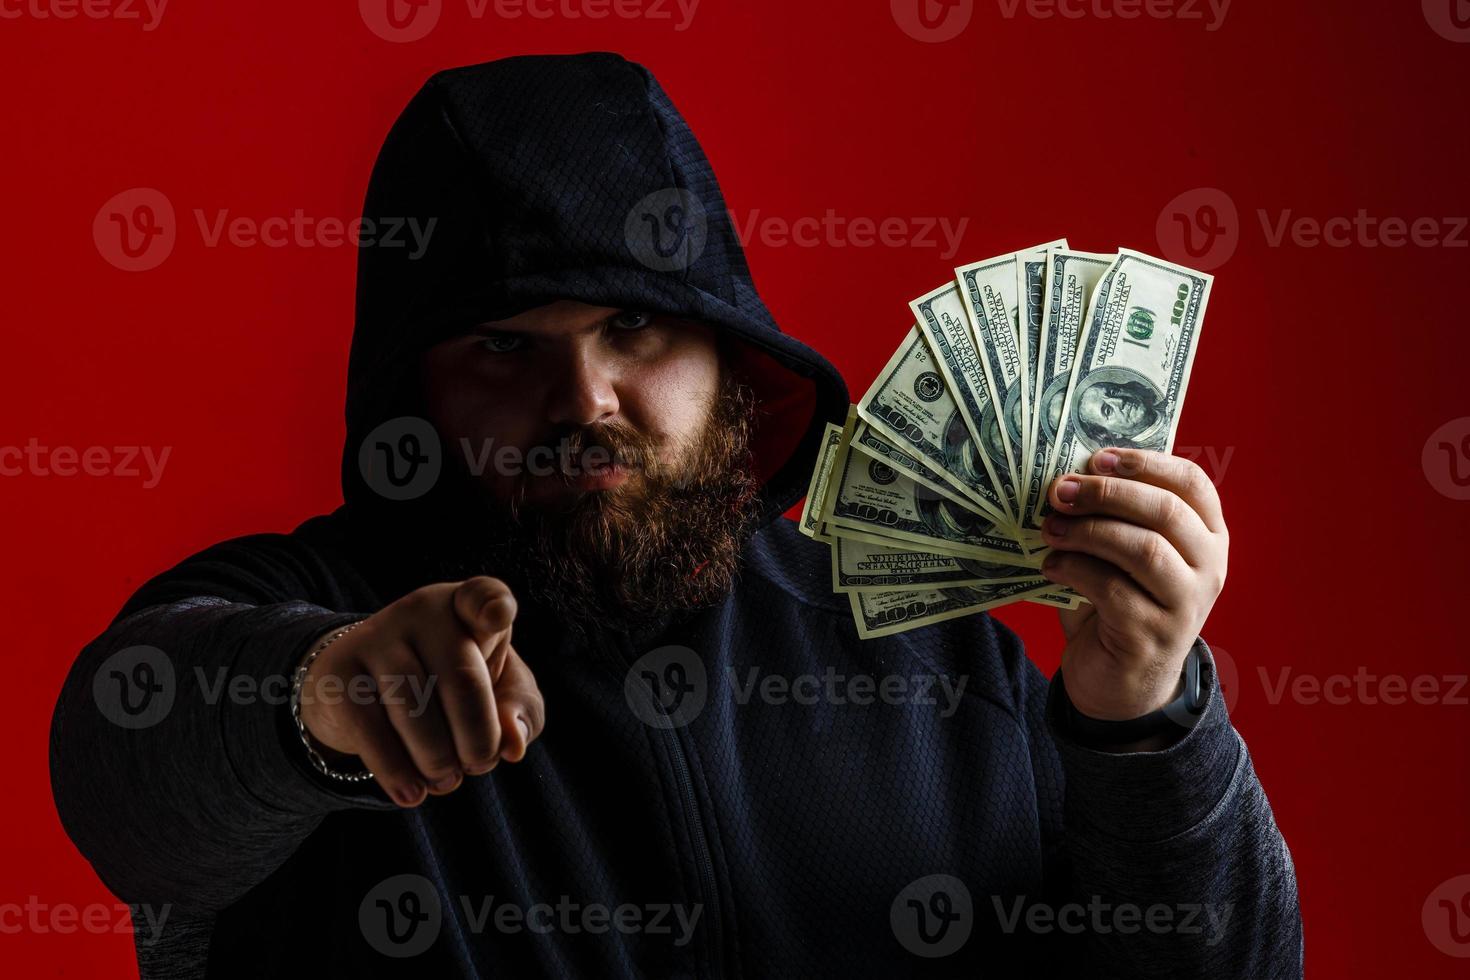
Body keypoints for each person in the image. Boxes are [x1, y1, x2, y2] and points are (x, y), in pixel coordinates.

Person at [50, 52, 1302, 978]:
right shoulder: (301, 609)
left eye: (631, 327)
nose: (581, 398)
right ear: (416, 389)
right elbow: (125, 768)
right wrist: (324, 696)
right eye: (503, 346)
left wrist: (1148, 720)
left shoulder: (927, 649)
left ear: (731, 363)